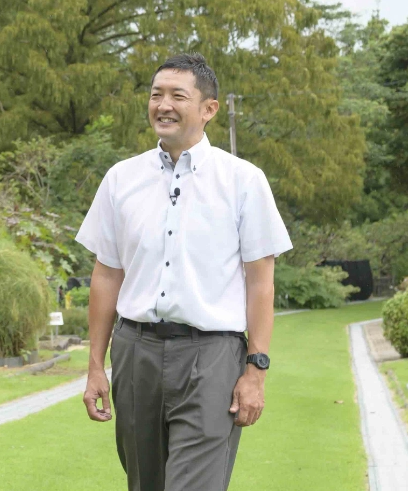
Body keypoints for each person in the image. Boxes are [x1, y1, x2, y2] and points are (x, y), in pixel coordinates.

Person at [77, 52, 291, 491]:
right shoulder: (120, 179)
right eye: (156, 95)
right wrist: (96, 365)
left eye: (178, 96)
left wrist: (256, 371)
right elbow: (106, 276)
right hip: (135, 355)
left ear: (209, 109)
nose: (163, 105)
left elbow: (260, 282)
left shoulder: (243, 181)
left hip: (211, 358)